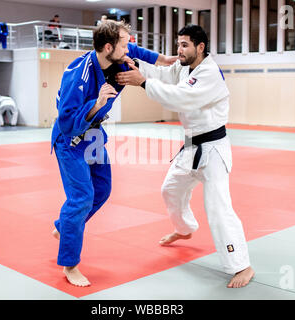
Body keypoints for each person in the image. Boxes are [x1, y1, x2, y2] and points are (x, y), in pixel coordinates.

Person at [115, 24, 255, 288]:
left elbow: (181, 98)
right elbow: (162, 74)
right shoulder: (182, 67)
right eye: (178, 44)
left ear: (200, 47)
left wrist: (143, 83)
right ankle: (185, 228)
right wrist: (134, 64)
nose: (179, 50)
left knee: (218, 208)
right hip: (191, 146)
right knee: (170, 189)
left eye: (185, 45)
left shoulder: (209, 72)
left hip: (213, 149)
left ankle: (242, 266)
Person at [51, 20, 177, 287]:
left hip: (94, 136)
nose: (128, 47)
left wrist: (163, 59)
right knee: (82, 198)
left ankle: (65, 227)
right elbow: (66, 121)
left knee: (103, 189)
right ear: (108, 47)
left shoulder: (117, 60)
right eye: (124, 43)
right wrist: (96, 103)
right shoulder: (79, 74)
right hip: (71, 138)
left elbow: (138, 52)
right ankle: (70, 264)